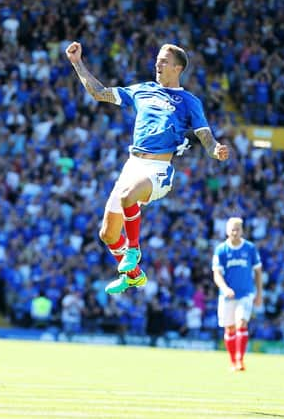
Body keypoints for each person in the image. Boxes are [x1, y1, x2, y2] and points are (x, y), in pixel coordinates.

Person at [65, 41, 229, 294]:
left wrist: (215, 149)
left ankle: (133, 250)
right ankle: (133, 275)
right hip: (133, 164)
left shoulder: (188, 100)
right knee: (107, 234)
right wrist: (77, 63)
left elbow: (204, 135)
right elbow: (99, 92)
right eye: (157, 59)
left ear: (177, 68)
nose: (157, 63)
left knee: (128, 196)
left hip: (158, 169)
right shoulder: (142, 90)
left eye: (164, 60)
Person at [212, 217, 263, 371]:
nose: (234, 232)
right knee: (229, 329)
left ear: (242, 231)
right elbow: (217, 274)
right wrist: (225, 288)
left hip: (246, 293)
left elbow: (258, 271)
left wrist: (259, 293)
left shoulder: (250, 248)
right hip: (227, 296)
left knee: (241, 323)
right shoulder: (221, 250)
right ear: (227, 231)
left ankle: (240, 360)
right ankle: (233, 361)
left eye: (237, 229)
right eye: (232, 229)